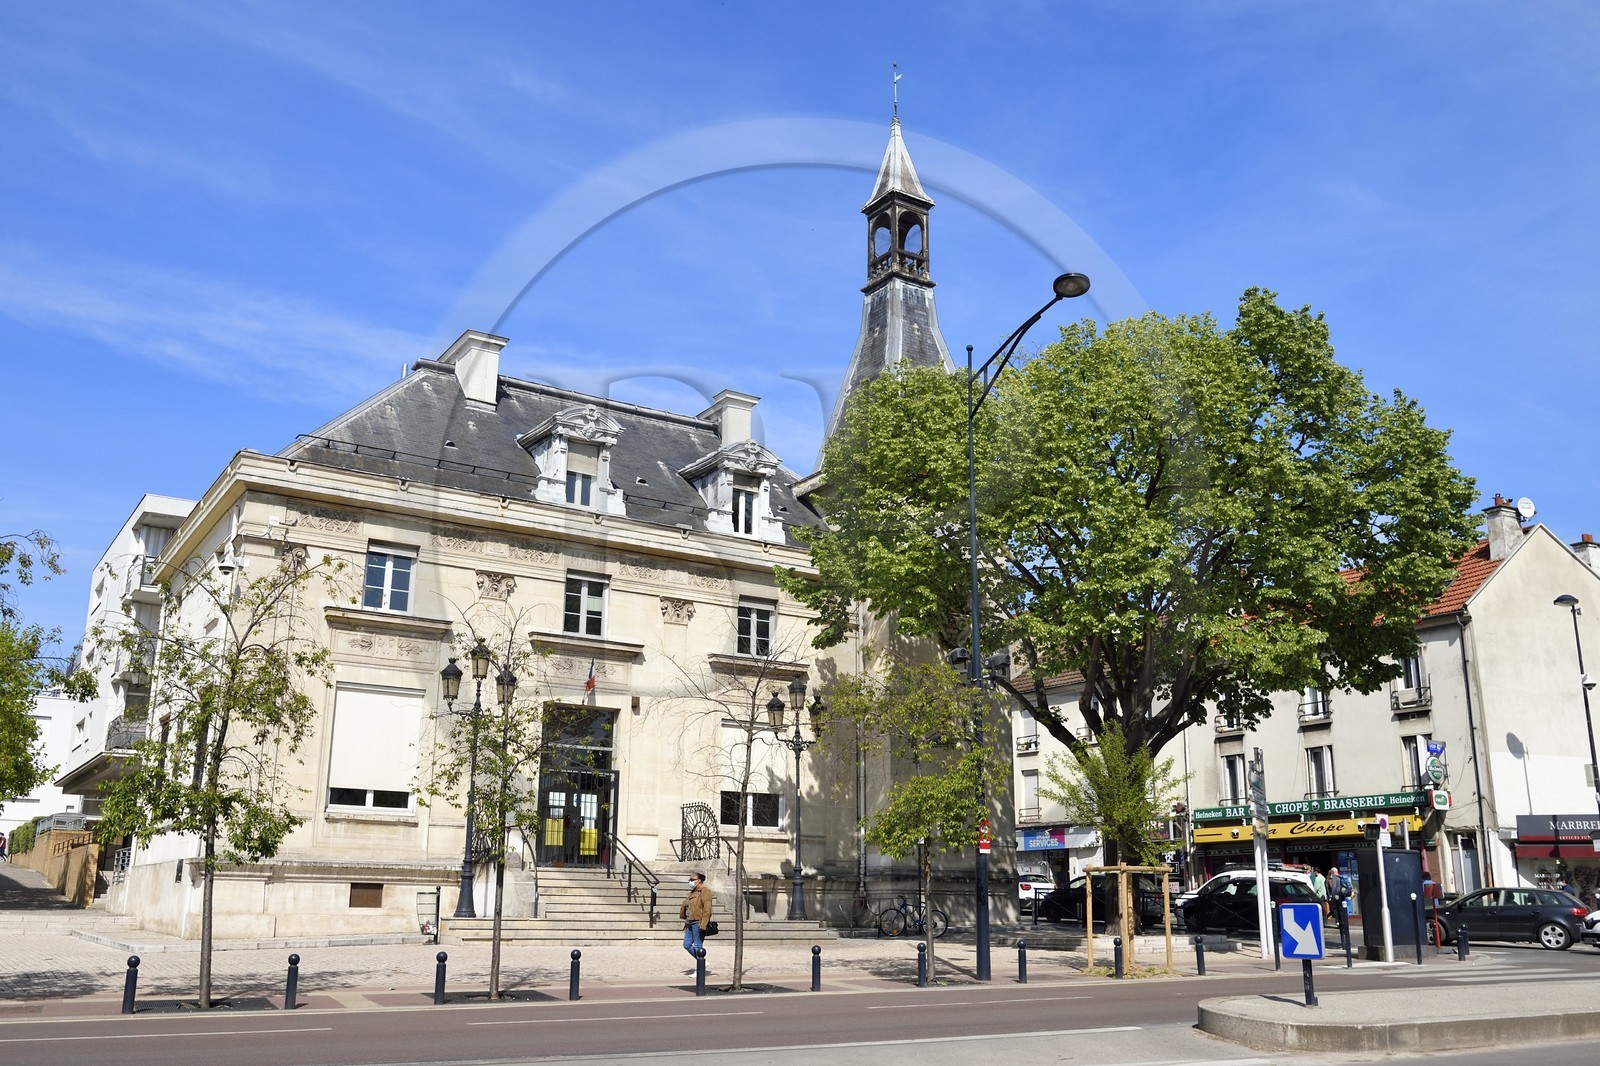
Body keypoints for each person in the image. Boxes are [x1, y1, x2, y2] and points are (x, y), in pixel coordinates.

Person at [678, 871, 713, 964]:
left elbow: (707, 909)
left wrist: (703, 924)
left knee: (698, 945)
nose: (690, 881)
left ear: (699, 880)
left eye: (692, 879)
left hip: (698, 922)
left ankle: (700, 966)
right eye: (689, 880)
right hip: (690, 922)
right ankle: (702, 962)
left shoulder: (705, 891)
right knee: (686, 944)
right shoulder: (692, 893)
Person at [1328, 865, 1352, 943]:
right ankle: (1343, 923)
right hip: (1342, 896)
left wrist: (1332, 896)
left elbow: (1334, 888)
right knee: (1341, 910)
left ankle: (1341, 923)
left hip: (1337, 897)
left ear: (1332, 872)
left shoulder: (1334, 878)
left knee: (1335, 909)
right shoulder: (1341, 877)